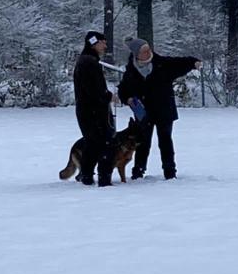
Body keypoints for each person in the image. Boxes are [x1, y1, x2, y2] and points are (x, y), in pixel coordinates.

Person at [117, 37, 201, 180]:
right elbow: (123, 90)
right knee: (143, 142)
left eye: (148, 49)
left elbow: (180, 63)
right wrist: (128, 99)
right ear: (137, 54)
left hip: (164, 110)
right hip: (143, 112)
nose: (148, 52)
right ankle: (138, 171)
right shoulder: (130, 70)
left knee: (165, 141)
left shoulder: (162, 63)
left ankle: (170, 171)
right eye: (144, 51)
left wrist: (194, 62)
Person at [73, 30, 116, 187]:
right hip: (93, 112)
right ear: (93, 44)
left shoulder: (86, 61)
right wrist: (108, 96)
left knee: (92, 144)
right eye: (102, 42)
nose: (105, 46)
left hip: (87, 111)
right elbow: (94, 90)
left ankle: (87, 176)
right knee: (103, 144)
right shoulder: (89, 63)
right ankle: (103, 179)